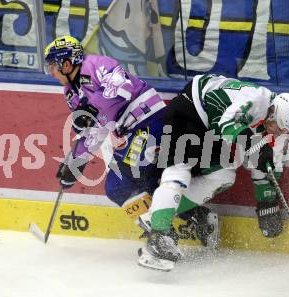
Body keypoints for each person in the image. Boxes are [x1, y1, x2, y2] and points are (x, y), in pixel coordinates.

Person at [43, 36, 219, 246]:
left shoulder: (97, 65)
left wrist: (91, 109)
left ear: (66, 63)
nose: (51, 72)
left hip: (152, 122)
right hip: (133, 134)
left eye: (52, 66)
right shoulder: (71, 93)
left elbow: (122, 87)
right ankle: (196, 220)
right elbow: (95, 130)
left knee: (127, 175)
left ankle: (164, 238)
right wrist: (75, 164)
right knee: (119, 187)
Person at [137, 74, 289, 271]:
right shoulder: (255, 101)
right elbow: (227, 124)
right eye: (280, 127)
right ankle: (158, 237)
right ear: (273, 112)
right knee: (179, 171)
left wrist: (266, 201)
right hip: (188, 111)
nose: (279, 133)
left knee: (223, 175)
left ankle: (157, 213)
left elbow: (264, 161)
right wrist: (255, 146)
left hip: (209, 125)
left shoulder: (269, 118)